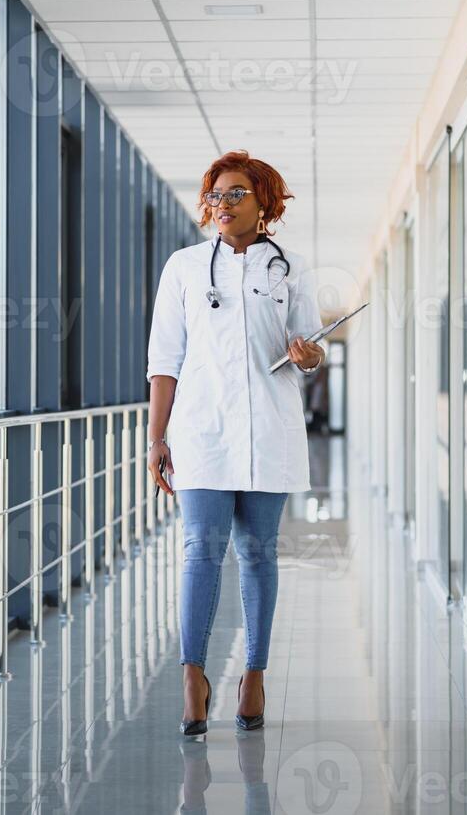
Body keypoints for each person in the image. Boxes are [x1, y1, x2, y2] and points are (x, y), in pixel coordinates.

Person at [145, 149, 325, 736]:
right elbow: (164, 360)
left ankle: (254, 673)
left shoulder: (290, 269)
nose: (222, 204)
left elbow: (308, 351)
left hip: (269, 430)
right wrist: (156, 438)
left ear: (263, 202)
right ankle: (192, 676)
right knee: (201, 550)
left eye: (236, 194)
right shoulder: (185, 267)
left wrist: (310, 356)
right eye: (215, 195)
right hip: (201, 431)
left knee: (258, 554)